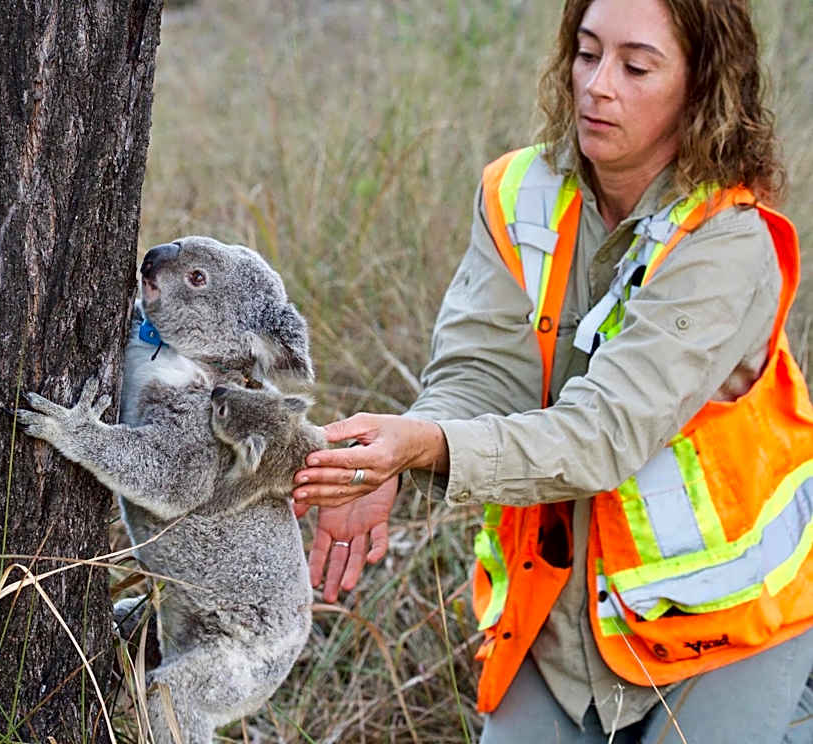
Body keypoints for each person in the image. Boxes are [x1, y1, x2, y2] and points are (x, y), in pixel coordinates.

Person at [291, 0, 813, 742]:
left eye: (636, 67)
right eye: (587, 53)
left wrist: (431, 448)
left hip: (730, 621)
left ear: (702, 88)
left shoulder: (726, 239)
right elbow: (480, 372)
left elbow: (602, 435)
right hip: (559, 615)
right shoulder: (519, 192)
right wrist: (394, 452)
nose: (597, 86)